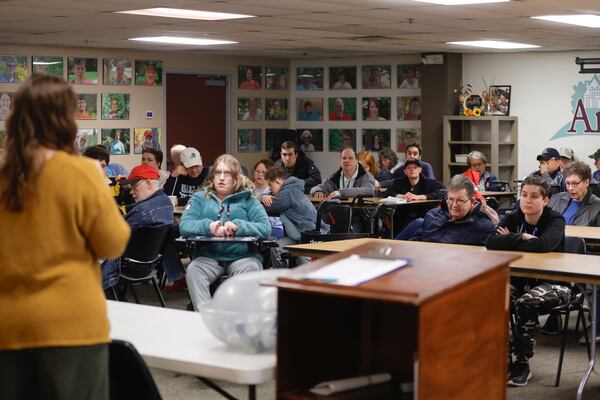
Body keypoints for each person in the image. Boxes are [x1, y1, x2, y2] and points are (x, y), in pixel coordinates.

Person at [0, 74, 130, 399]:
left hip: (8, 324)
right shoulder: (80, 173)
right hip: (71, 325)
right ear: (65, 119)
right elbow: (113, 243)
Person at [486, 175, 566, 387]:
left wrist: (509, 240)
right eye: (523, 195)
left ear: (545, 200)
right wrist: (522, 237)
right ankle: (502, 360)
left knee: (526, 303)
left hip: (555, 281)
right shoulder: (513, 216)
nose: (527, 201)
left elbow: (544, 245)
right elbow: (491, 242)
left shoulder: (555, 219)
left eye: (533, 196)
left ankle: (522, 362)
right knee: (494, 296)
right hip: (520, 280)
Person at [180, 154, 271, 309]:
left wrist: (239, 227)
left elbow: (265, 228)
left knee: (253, 269)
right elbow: (184, 225)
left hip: (243, 257)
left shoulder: (248, 199)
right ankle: (206, 318)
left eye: (227, 173)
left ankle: (235, 321)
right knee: (193, 270)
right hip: (209, 257)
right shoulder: (200, 198)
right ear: (213, 176)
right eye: (218, 173)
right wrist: (208, 227)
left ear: (235, 178)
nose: (221, 178)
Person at [100, 164, 174, 289]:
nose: (131, 191)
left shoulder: (142, 211)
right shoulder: (167, 204)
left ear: (149, 183)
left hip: (122, 268)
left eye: (134, 187)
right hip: (147, 266)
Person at [396, 175, 496, 245]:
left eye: (460, 200)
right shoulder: (432, 216)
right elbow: (418, 239)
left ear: (472, 201)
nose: (454, 205)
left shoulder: (482, 227)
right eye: (451, 199)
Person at [262, 167, 317, 246]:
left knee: (276, 249)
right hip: (305, 234)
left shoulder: (288, 192)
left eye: (270, 185)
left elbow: (267, 208)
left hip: (308, 237)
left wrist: (262, 197)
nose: (270, 190)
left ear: (278, 182)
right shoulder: (293, 189)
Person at [311, 148, 375, 200]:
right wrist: (318, 191)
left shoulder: (366, 176)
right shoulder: (333, 178)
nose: (346, 160)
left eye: (350, 158)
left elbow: (369, 190)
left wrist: (341, 193)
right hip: (337, 211)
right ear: (340, 161)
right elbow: (316, 188)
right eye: (344, 158)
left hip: (359, 213)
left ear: (357, 161)